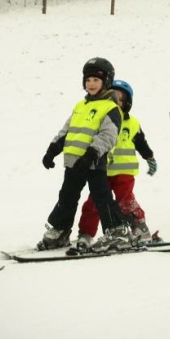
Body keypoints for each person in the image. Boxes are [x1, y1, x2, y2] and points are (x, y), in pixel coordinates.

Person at [40, 57, 133, 252]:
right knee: (67, 196)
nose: (91, 84)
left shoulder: (110, 108)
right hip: (73, 162)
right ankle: (60, 231)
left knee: (101, 197)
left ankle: (117, 232)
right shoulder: (80, 106)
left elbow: (108, 135)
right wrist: (52, 150)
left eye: (96, 80)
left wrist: (91, 154)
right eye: (88, 80)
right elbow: (67, 130)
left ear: (106, 82)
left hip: (94, 162)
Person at [75, 79, 159, 250]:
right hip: (102, 171)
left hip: (124, 171)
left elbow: (141, 143)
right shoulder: (100, 119)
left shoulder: (133, 123)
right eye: (111, 98)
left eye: (120, 99)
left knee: (126, 201)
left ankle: (139, 228)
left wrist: (149, 158)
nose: (115, 102)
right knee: (93, 203)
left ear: (127, 102)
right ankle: (85, 234)